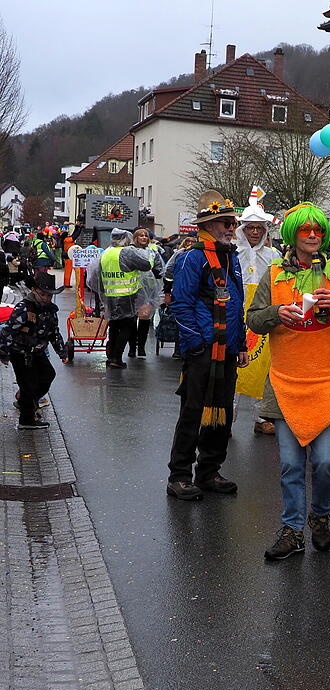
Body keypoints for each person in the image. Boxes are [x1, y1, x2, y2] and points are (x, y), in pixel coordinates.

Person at [247, 202, 330, 559]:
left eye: (318, 230)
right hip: (287, 383)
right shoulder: (273, 273)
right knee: (289, 463)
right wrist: (275, 313)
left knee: (327, 460)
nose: (314, 235)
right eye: (306, 230)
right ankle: (291, 529)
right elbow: (254, 321)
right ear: (293, 235)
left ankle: (319, 517)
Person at [165, 191, 249, 501]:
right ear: (209, 225)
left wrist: (239, 343)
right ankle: (179, 475)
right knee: (193, 412)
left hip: (226, 350)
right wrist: (196, 344)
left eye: (233, 222)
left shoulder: (231, 258)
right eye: (226, 222)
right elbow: (181, 304)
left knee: (222, 413)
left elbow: (236, 306)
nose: (232, 227)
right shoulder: (193, 257)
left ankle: (209, 470)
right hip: (203, 351)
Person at [233, 193, 281, 435]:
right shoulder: (232, 253)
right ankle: (227, 414)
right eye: (250, 227)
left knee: (262, 366)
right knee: (234, 365)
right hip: (235, 314)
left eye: (259, 228)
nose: (254, 232)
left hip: (261, 315)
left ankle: (262, 416)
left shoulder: (273, 256)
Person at [0, 273, 68, 429]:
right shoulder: (23, 308)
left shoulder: (50, 310)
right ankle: (26, 420)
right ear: (34, 291)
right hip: (20, 353)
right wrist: (4, 354)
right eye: (43, 294)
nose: (46, 298)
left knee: (48, 375)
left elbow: (54, 333)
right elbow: (8, 332)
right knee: (28, 385)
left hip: (38, 351)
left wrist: (62, 352)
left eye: (49, 296)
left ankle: (25, 400)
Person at [85, 228, 154, 369]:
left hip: (110, 296)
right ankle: (117, 357)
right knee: (127, 326)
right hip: (126, 296)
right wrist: (150, 256)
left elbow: (93, 277)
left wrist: (102, 292)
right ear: (125, 239)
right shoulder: (127, 252)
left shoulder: (106, 252)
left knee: (114, 326)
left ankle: (111, 357)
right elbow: (146, 266)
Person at [125, 227, 164, 358]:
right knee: (131, 320)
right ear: (135, 238)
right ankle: (131, 348)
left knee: (144, 319)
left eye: (146, 235)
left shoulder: (153, 252)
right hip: (132, 289)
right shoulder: (130, 251)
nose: (144, 238)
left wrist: (155, 273)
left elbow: (160, 268)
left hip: (148, 289)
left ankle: (141, 347)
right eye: (141, 235)